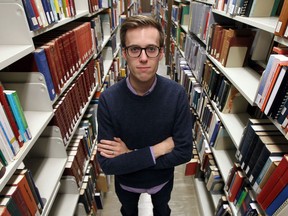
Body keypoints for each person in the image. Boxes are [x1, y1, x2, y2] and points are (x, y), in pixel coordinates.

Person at [96, 15, 193, 216]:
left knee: (162, 210)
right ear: (124, 53)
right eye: (134, 49)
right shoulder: (108, 100)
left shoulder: (176, 94)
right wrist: (160, 148)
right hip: (127, 184)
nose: (143, 58)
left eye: (151, 49)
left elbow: (184, 152)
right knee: (128, 212)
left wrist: (130, 155)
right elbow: (107, 164)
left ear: (161, 53)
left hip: (162, 182)